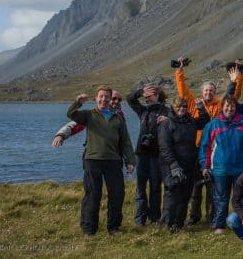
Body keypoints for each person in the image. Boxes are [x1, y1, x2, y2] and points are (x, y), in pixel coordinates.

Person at [176, 60, 243, 225]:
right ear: (202, 92)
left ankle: (212, 217)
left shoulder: (219, 105)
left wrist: (238, 78)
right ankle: (194, 217)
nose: (208, 92)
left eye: (212, 90)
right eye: (206, 90)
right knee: (195, 186)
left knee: (213, 187)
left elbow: (233, 96)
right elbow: (182, 90)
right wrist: (179, 71)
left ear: (215, 93)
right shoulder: (193, 102)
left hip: (215, 152)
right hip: (197, 149)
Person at [67, 85, 136, 236]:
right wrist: (78, 102)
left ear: (110, 99)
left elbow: (126, 142)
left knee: (117, 194)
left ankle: (114, 227)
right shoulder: (88, 115)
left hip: (113, 161)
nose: (104, 99)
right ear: (96, 98)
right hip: (92, 160)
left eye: (107, 97)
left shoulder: (118, 118)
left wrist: (131, 161)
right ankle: (89, 230)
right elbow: (71, 114)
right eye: (101, 96)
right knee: (93, 195)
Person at [199, 94, 243, 233]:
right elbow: (205, 147)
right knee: (220, 198)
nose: (229, 108)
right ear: (222, 107)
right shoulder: (213, 124)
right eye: (227, 105)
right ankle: (219, 225)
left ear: (236, 107)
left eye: (232, 106)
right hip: (220, 169)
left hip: (242, 168)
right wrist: (205, 165)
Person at [157, 97, 210, 232]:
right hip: (171, 165)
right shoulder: (167, 123)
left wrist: (201, 109)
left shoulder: (190, 121)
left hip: (189, 163)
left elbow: (204, 122)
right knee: (172, 193)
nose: (182, 109)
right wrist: (173, 165)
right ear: (173, 108)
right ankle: (167, 224)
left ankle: (179, 224)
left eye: (184, 107)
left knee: (185, 194)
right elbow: (165, 147)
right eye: (179, 107)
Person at [126, 85, 170, 226]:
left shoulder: (166, 111)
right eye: (146, 96)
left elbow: (177, 122)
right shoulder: (142, 111)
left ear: (158, 95)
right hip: (142, 154)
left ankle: (154, 218)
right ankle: (140, 219)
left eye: (150, 95)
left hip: (157, 155)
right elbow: (129, 99)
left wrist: (168, 120)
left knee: (155, 187)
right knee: (140, 187)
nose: (147, 98)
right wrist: (140, 92)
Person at [52, 90, 124, 148]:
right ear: (107, 99)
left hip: (114, 157)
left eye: (119, 99)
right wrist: (61, 135)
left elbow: (124, 138)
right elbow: (74, 125)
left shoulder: (120, 115)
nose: (116, 101)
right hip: (94, 156)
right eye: (114, 98)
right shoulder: (94, 114)